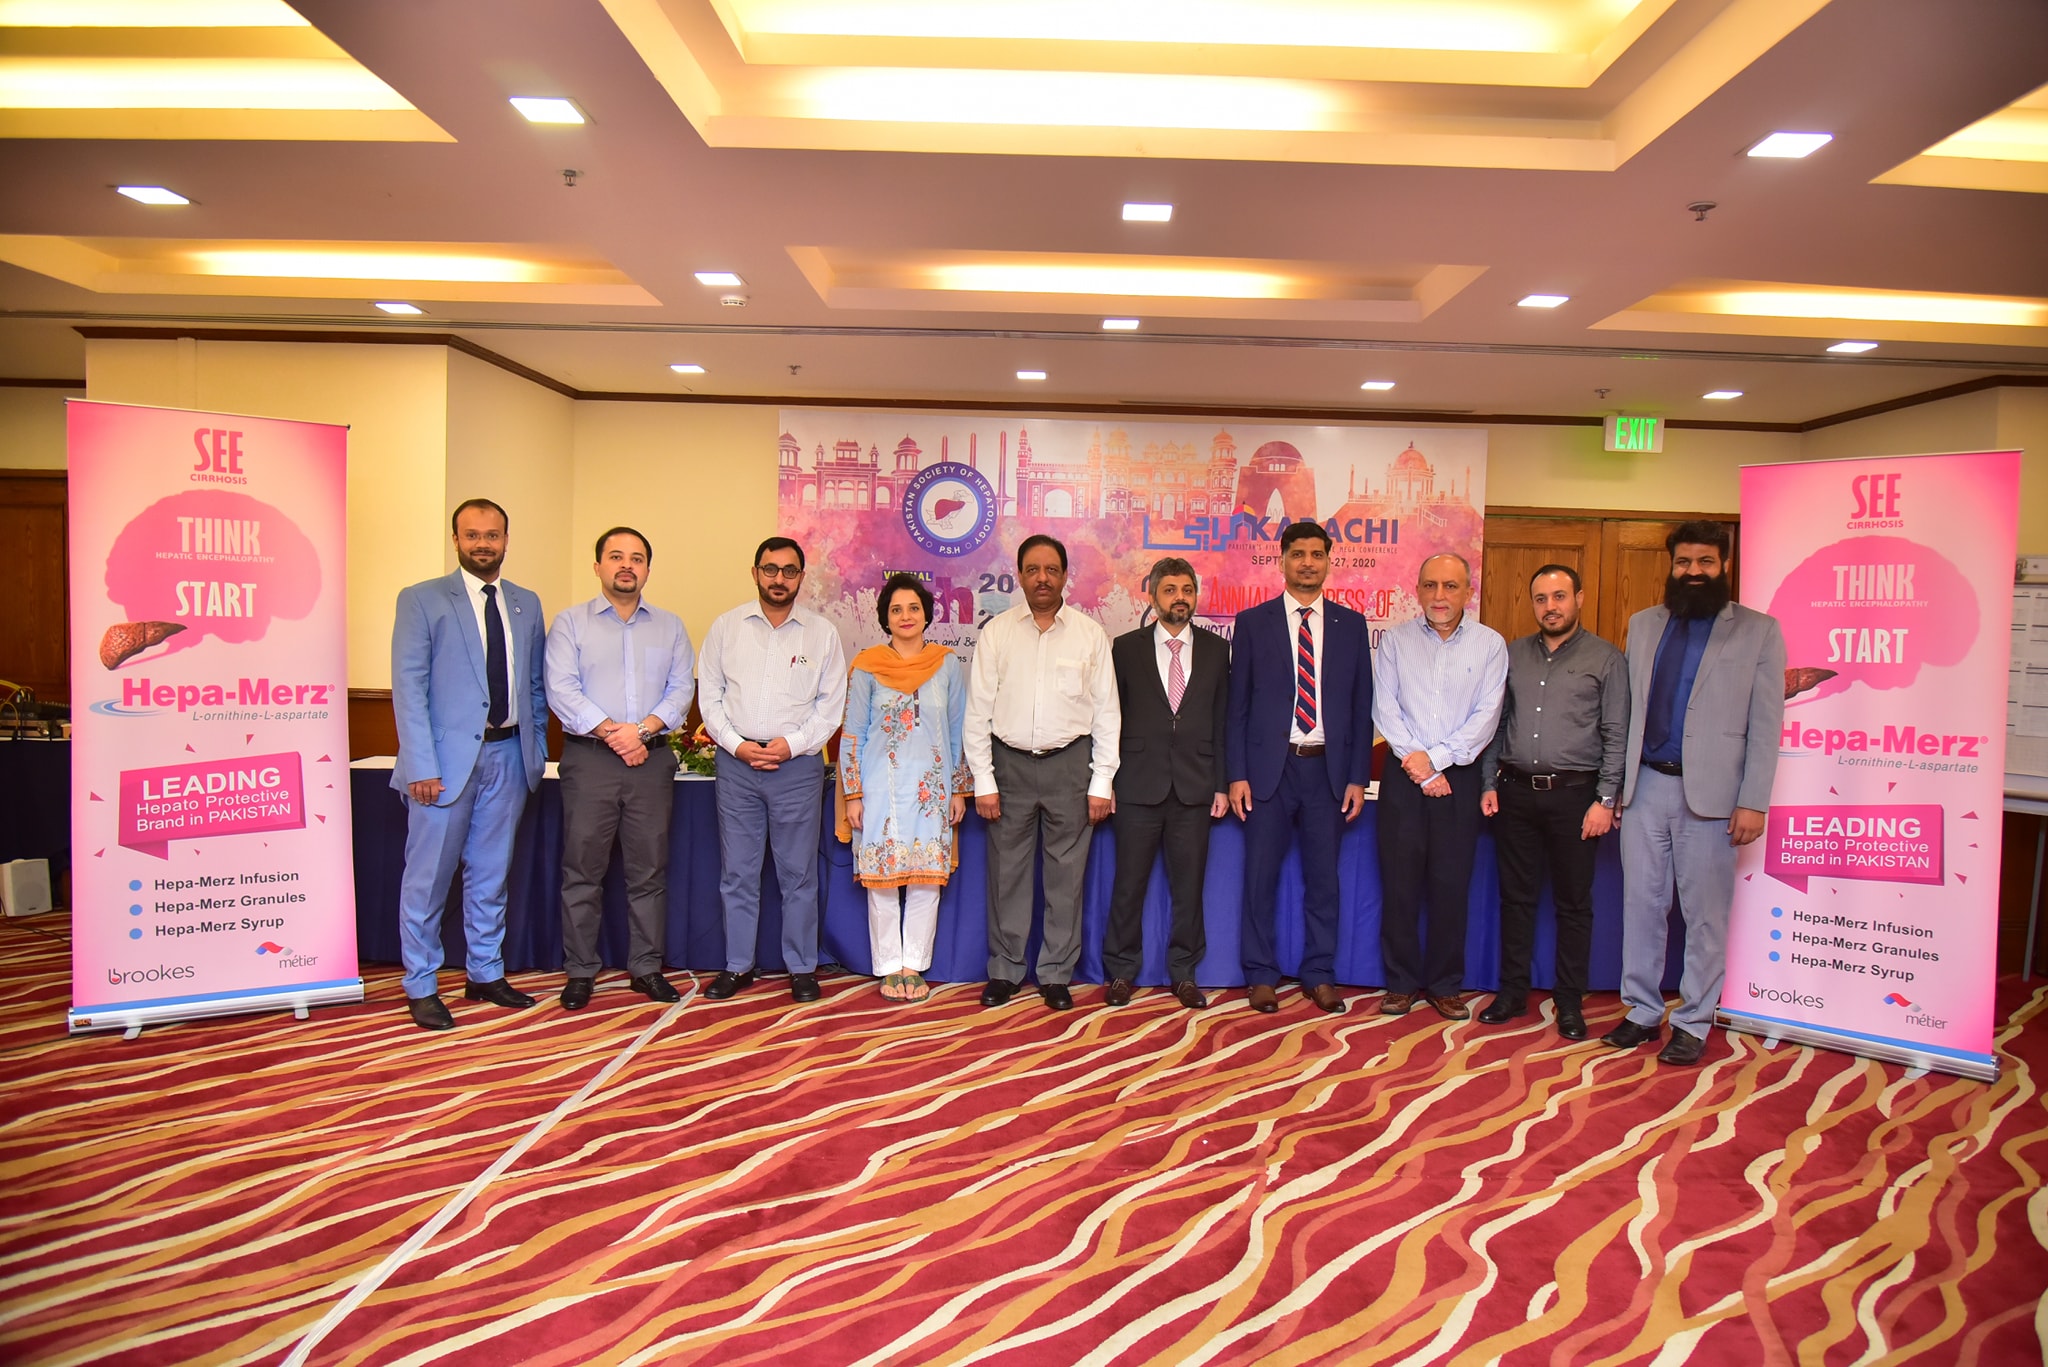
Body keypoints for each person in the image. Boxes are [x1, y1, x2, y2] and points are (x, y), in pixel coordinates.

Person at [1604, 521, 1785, 1066]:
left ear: (1723, 565)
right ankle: (1641, 1011)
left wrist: (1753, 800)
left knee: (1706, 915)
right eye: (1684, 562)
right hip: (1644, 787)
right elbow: (1627, 713)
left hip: (1713, 796)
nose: (1694, 572)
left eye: (1706, 562)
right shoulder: (1643, 624)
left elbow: (1766, 724)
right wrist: (1615, 790)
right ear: (1672, 566)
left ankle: (1693, 1020)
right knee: (1641, 906)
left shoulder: (1759, 631)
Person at [388, 498, 548, 1030]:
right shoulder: (422, 599)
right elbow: (409, 688)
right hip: (441, 767)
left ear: (506, 540)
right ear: (455, 539)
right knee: (428, 880)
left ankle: (485, 973)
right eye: (472, 535)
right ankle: (421, 983)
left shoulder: (526, 603)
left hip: (509, 758)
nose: (483, 544)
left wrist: (534, 750)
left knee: (491, 875)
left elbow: (533, 686)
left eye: (492, 535)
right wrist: (420, 765)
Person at [964, 534, 1120, 1011]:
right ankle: (1006, 969)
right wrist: (984, 779)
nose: (1042, 578)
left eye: (1051, 569)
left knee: (1066, 877)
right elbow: (977, 712)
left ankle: (1055, 973)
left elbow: (1106, 713)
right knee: (1007, 873)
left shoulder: (1089, 634)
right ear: (1019, 575)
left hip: (1070, 765)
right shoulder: (997, 633)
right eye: (1032, 570)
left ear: (1065, 575)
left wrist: (1101, 781)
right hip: (1008, 765)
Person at [1226, 520, 1374, 1014]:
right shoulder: (1253, 622)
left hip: (1327, 772)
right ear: (1282, 561)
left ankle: (1319, 973)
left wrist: (1357, 777)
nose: (1307, 563)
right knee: (1259, 879)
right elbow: (1237, 707)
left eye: (1316, 554)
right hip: (1268, 772)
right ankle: (1260, 974)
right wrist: (1237, 773)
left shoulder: (1351, 625)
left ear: (1328, 561)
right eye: (1298, 554)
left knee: (1324, 881)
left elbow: (1361, 707)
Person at [545, 526, 696, 1009]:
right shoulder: (570, 624)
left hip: (651, 761)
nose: (626, 565)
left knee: (648, 871)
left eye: (636, 558)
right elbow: (561, 690)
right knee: (582, 869)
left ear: (648, 569)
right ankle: (580, 970)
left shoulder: (670, 626)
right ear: (598, 566)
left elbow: (681, 690)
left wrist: (642, 732)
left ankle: (646, 968)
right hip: (589, 760)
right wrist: (616, 733)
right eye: (615, 556)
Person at [1476, 564, 1627, 1040]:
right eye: (1541, 598)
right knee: (1516, 899)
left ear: (1578, 598)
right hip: (1515, 793)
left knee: (1574, 904)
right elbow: (1497, 724)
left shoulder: (1607, 659)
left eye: (1559, 596)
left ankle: (1569, 1001)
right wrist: (1488, 782)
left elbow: (1616, 734)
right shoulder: (1513, 654)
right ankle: (1512, 992)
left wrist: (1605, 799)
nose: (1551, 607)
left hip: (1576, 798)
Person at [698, 536, 848, 1002]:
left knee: (798, 875)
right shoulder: (726, 628)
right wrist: (739, 746)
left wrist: (791, 746)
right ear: (755, 572)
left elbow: (829, 707)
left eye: (788, 571)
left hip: (797, 770)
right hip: (737, 767)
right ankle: (737, 966)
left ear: (801, 577)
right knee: (737, 874)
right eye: (770, 569)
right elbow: (710, 699)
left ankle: (801, 967)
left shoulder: (822, 634)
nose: (778, 579)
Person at [1373, 552, 1508, 1020]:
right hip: (1403, 776)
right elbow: (1385, 709)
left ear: (1468, 591)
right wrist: (1420, 767)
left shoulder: (1490, 645)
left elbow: (1487, 717)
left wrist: (1436, 762)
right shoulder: (1395, 641)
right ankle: (1400, 983)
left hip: (1458, 779)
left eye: (1450, 586)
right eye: (1430, 585)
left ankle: (1446, 985)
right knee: (1400, 886)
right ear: (1417, 590)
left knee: (1451, 887)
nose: (1439, 596)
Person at [1102, 557, 1229, 1009]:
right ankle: (1121, 971)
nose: (1180, 598)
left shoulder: (1217, 649)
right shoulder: (1125, 648)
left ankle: (1184, 973)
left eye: (1187, 590)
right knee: (1128, 884)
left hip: (1195, 786)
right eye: (1170, 589)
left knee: (1189, 888)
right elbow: (1109, 718)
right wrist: (1106, 779)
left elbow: (1222, 720)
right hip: (1137, 784)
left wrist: (1221, 783)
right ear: (1152, 596)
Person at [839, 573, 970, 1004]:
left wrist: (957, 789)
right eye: (896, 610)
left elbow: (957, 731)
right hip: (880, 788)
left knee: (926, 880)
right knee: (881, 880)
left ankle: (913, 965)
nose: (906, 616)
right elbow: (853, 734)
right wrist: (853, 794)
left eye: (913, 608)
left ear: (927, 615)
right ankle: (888, 967)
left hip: (932, 789)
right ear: (885, 618)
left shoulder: (946, 665)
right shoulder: (867, 666)